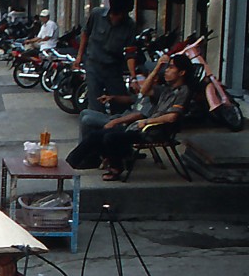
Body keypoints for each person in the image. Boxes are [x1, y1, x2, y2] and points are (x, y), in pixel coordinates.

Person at [66, 52, 193, 180]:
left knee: (110, 137)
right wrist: (157, 68)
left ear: (181, 72)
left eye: (171, 68)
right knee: (96, 135)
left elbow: (172, 117)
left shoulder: (183, 91)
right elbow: (144, 91)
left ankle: (116, 168)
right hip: (141, 127)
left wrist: (148, 121)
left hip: (154, 131)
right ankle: (68, 164)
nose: (167, 71)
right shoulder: (165, 89)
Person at [75, 0, 139, 136]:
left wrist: (133, 77)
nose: (122, 17)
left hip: (113, 69)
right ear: (112, 11)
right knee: (95, 107)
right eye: (120, 14)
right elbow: (85, 33)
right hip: (93, 67)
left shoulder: (130, 25)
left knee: (121, 106)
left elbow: (130, 53)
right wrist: (79, 57)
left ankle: (120, 143)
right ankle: (95, 143)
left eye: (125, 14)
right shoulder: (96, 15)